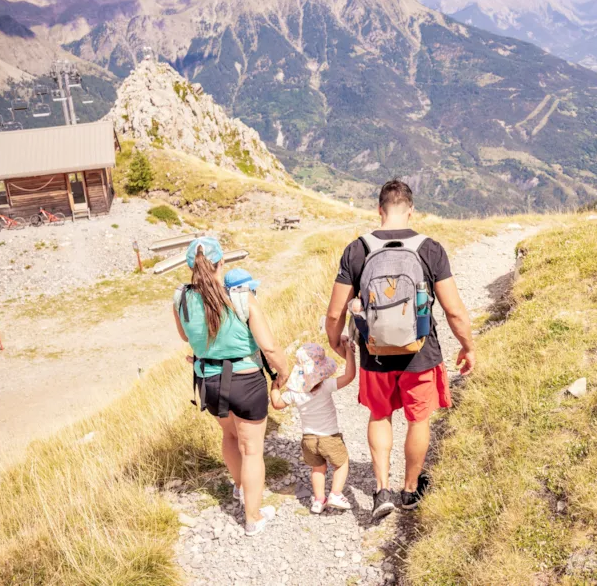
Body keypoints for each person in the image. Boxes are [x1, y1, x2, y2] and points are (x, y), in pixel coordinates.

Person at [326, 179, 476, 519]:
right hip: (420, 354)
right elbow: (454, 310)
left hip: (374, 354)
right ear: (410, 211)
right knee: (418, 419)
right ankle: (410, 490)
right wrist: (468, 346)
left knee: (380, 416)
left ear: (379, 210)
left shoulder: (357, 250)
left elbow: (335, 312)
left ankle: (382, 491)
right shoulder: (430, 248)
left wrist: (337, 343)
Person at [172, 237, 289, 536]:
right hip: (246, 381)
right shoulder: (240, 297)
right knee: (252, 450)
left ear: (189, 267)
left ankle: (240, 488)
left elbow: (186, 338)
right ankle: (253, 517)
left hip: (208, 380)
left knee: (229, 435)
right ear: (221, 263)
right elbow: (270, 348)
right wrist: (284, 374)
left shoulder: (180, 298)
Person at [270, 338, 356, 513]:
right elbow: (349, 376)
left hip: (308, 439)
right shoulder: (326, 386)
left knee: (318, 468)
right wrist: (350, 353)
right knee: (341, 463)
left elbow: (277, 404)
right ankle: (335, 494)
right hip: (329, 436)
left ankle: (318, 500)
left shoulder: (295, 393)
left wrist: (275, 386)